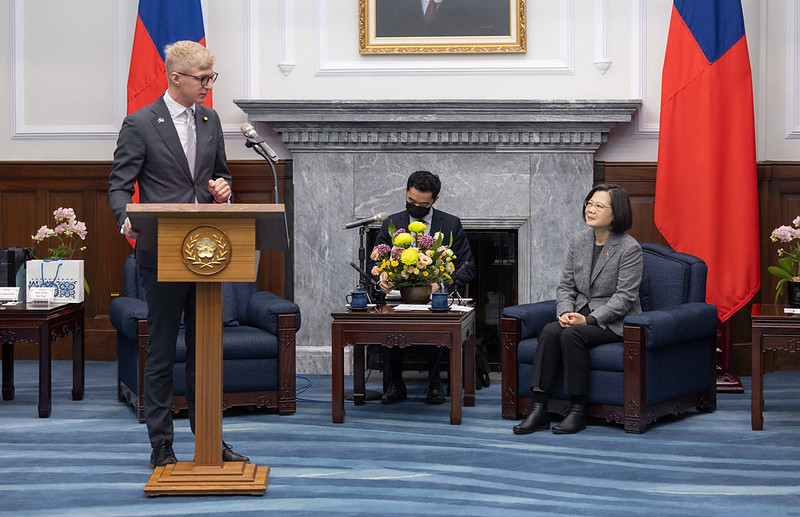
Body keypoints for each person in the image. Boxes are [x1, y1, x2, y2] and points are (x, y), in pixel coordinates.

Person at [108, 40, 248, 468]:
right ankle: (161, 444)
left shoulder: (210, 119)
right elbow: (119, 186)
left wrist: (223, 190)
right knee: (163, 351)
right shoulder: (140, 123)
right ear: (175, 77)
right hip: (162, 252)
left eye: (211, 77)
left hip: (209, 252)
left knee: (206, 351)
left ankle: (209, 440)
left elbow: (220, 175)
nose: (208, 85)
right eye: (202, 79)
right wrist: (126, 220)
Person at [513, 184, 642, 435]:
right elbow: (566, 286)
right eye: (589, 204)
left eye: (599, 206)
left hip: (613, 322)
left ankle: (577, 410)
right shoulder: (579, 241)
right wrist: (564, 312)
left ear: (615, 214)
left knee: (573, 335)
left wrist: (590, 319)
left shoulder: (629, 248)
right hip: (579, 313)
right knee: (550, 331)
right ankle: (538, 409)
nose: (590, 210)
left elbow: (625, 298)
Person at [370, 170, 476, 405]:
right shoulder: (391, 223)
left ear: (435, 200)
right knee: (389, 322)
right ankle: (395, 383)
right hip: (397, 297)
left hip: (434, 298)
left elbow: (468, 267)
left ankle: (435, 382)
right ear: (405, 192)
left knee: (434, 322)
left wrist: (442, 283)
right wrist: (381, 277)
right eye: (411, 201)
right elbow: (374, 261)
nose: (416, 207)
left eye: (423, 205)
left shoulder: (450, 224)